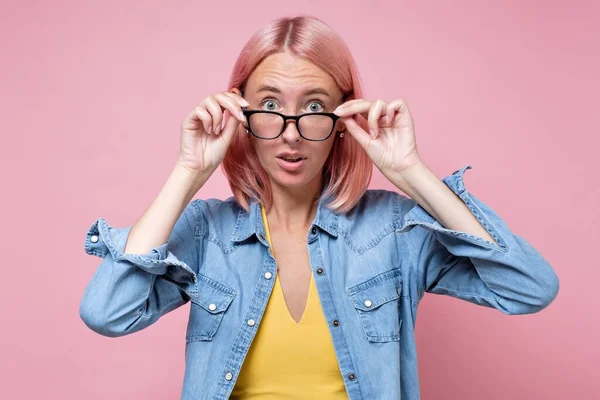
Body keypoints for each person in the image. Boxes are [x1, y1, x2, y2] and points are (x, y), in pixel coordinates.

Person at [79, 15, 559, 400]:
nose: (291, 133)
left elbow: (528, 288)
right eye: (269, 104)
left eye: (313, 107)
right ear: (240, 114)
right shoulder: (208, 234)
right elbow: (107, 313)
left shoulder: (391, 230)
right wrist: (188, 170)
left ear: (343, 118)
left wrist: (410, 170)